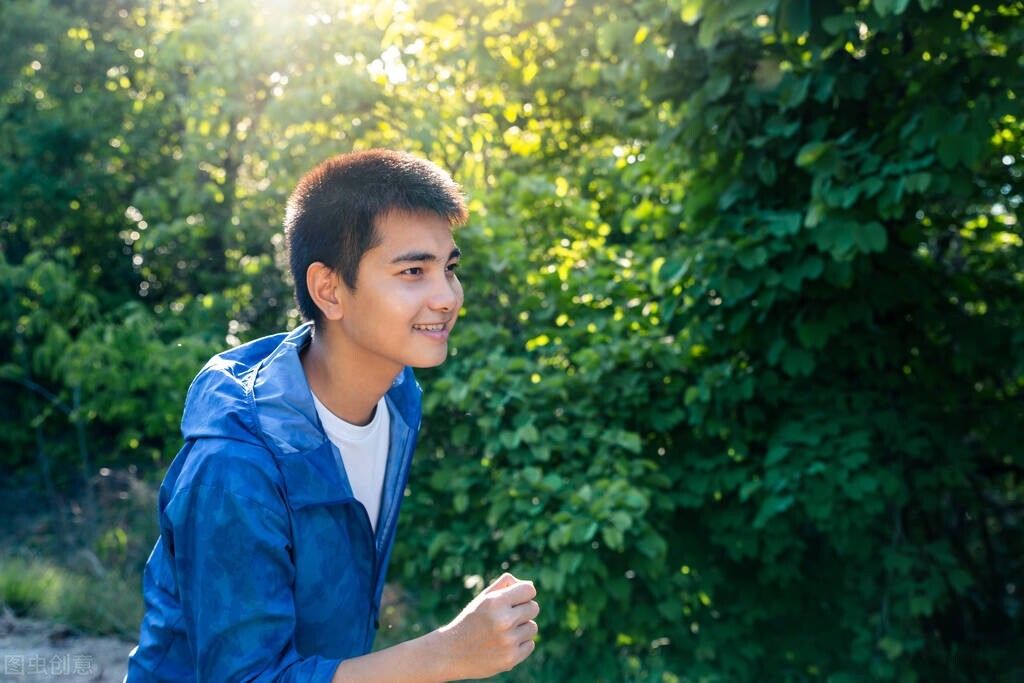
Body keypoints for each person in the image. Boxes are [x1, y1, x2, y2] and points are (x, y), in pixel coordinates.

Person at [126, 150, 540, 682]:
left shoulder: (396, 394)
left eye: (450, 268)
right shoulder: (236, 465)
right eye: (413, 271)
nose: (447, 297)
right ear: (329, 290)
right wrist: (448, 653)